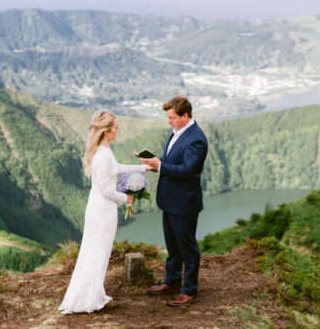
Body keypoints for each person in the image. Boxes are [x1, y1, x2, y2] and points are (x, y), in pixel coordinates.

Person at [59, 110, 149, 314]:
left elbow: (116, 168)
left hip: (101, 208)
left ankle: (95, 295)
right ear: (107, 130)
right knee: (98, 252)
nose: (118, 130)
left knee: (98, 252)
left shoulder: (104, 151)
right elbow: (105, 190)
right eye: (115, 127)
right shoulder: (101, 156)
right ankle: (89, 299)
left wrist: (144, 168)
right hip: (102, 210)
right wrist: (126, 198)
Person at [140, 96, 208, 307]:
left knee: (187, 248)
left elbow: (188, 170)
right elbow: (173, 159)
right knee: (173, 245)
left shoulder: (196, 138)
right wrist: (157, 163)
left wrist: (160, 166)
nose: (169, 122)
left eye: (172, 118)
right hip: (170, 200)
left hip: (184, 203)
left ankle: (190, 290)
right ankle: (171, 281)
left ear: (185, 116)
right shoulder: (178, 131)